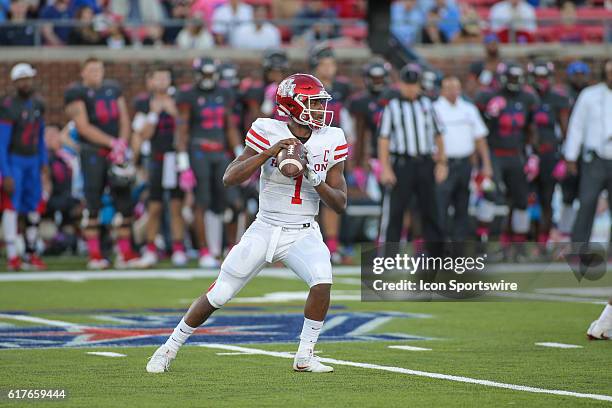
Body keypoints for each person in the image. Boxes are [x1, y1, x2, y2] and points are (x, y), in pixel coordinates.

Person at [147, 73, 348, 374]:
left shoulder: (332, 138)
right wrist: (270, 152)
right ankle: (168, 349)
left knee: (322, 282)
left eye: (321, 103)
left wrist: (313, 176)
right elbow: (230, 177)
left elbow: (340, 203)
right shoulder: (267, 129)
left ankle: (305, 355)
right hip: (265, 227)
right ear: (293, 105)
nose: (321, 109)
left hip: (304, 230)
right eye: (314, 103)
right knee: (220, 293)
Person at [64, 57, 143, 269]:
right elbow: (82, 126)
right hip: (93, 153)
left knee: (124, 202)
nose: (96, 73)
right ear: (83, 72)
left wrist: (122, 145)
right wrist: (111, 142)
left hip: (115, 154)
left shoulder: (112, 88)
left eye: (99, 69)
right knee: (93, 203)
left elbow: (124, 118)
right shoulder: (76, 93)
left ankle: (125, 253)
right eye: (91, 69)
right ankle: (95, 255)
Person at [174, 57, 241, 267]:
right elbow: (182, 128)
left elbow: (229, 126)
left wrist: (240, 153)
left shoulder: (225, 93)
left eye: (211, 74)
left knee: (233, 202)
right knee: (201, 201)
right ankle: (204, 250)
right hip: (198, 151)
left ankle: (231, 249)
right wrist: (183, 159)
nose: (207, 79)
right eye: (204, 74)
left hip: (220, 152)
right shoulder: (188, 95)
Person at [377, 63, 447, 256]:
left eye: (414, 84)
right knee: (396, 211)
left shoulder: (427, 105)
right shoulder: (392, 107)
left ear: (419, 85)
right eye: (407, 84)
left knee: (431, 209)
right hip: (402, 164)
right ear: (401, 84)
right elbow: (383, 139)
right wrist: (386, 168)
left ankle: (436, 254)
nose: (410, 88)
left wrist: (442, 162)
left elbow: (439, 135)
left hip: (425, 162)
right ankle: (389, 255)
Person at [474, 62, 539, 255]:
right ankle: (482, 241)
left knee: (521, 200)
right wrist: (488, 114)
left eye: (516, 78)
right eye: (511, 78)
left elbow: (531, 128)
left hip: (516, 155)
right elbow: (477, 129)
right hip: (493, 154)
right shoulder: (488, 96)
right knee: (490, 195)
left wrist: (532, 153)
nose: (514, 82)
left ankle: (519, 246)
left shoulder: (527, 98)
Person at [133, 66, 187, 268]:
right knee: (154, 206)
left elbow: (184, 127)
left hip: (174, 157)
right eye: (159, 78)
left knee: (175, 205)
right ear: (151, 81)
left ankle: (178, 248)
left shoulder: (179, 100)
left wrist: (173, 112)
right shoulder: (144, 103)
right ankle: (151, 248)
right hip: (155, 158)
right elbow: (144, 134)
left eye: (166, 77)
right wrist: (154, 114)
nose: (163, 82)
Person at [0, 63, 47, 271]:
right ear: (16, 82)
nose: (27, 83)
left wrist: (43, 162)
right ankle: (12, 255)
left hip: (33, 160)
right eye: (23, 79)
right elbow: (2, 142)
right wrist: (6, 172)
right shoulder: (9, 105)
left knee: (34, 207)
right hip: (15, 160)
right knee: (12, 207)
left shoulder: (37, 104)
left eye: (29, 78)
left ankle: (30, 251)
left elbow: (41, 136)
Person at [434, 76, 491, 243]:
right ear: (442, 90)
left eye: (456, 87)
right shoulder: (434, 109)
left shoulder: (468, 109)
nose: (453, 91)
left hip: (465, 163)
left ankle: (459, 247)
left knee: (462, 205)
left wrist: (486, 164)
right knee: (440, 206)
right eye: (449, 87)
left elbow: (480, 138)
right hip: (444, 164)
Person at [309, 43, 353, 264]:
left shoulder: (341, 89)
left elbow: (347, 118)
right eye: (324, 64)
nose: (328, 68)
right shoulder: (308, 87)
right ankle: (310, 242)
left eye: (331, 64)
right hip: (311, 142)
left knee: (333, 192)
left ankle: (333, 245)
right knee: (310, 194)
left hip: (333, 143)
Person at [563, 59, 612, 244]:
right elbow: (576, 126)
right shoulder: (589, 95)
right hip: (594, 158)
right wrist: (570, 156)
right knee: (587, 202)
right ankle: (578, 246)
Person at [526, 60, 570, 248]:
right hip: (529, 155)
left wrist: (564, 157)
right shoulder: (525, 97)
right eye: (538, 77)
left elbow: (566, 130)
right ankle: (525, 240)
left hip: (549, 155)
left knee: (547, 198)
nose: (541, 81)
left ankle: (543, 242)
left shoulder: (557, 99)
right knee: (527, 199)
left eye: (544, 77)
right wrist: (528, 153)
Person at [558, 60, 590, 240]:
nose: (579, 77)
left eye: (581, 74)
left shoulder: (592, 95)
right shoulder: (564, 95)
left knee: (587, 196)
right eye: (575, 74)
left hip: (589, 152)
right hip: (569, 151)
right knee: (567, 196)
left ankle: (584, 237)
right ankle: (564, 237)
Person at [349, 58, 397, 167]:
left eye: (380, 78)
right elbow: (360, 135)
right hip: (375, 156)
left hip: (398, 152)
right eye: (374, 79)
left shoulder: (396, 96)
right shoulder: (361, 102)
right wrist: (358, 163)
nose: (377, 82)